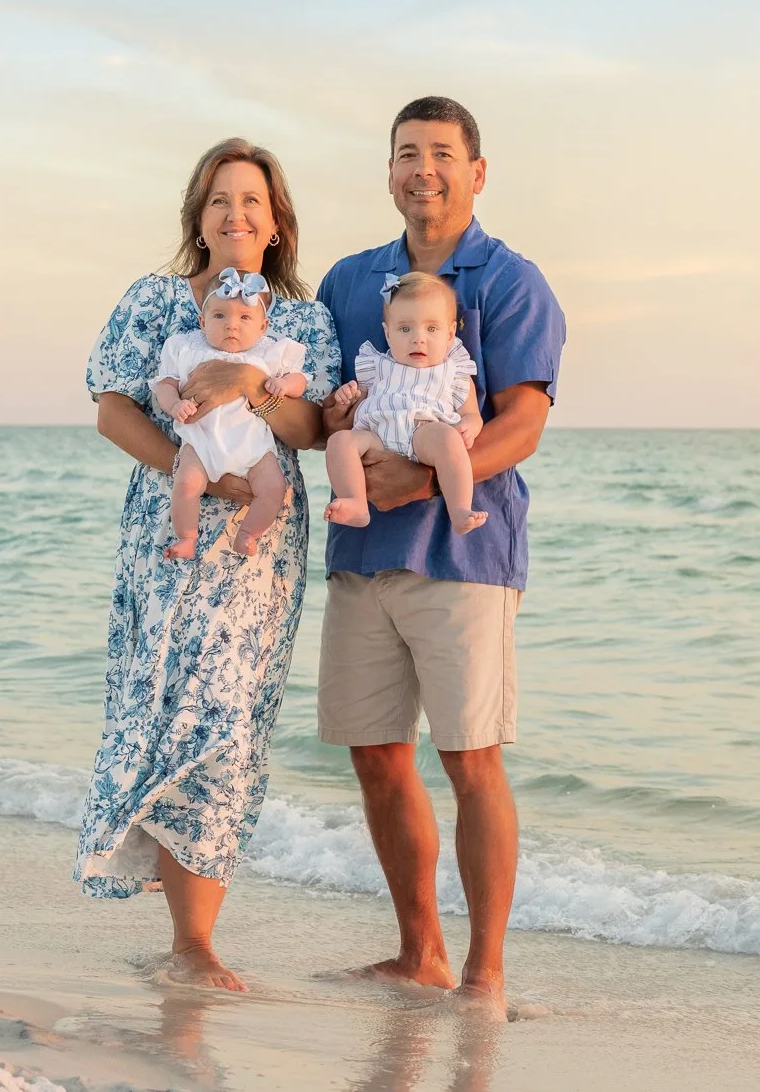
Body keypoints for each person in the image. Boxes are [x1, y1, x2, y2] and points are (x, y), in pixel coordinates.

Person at [316, 95, 566, 1014]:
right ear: (388, 172)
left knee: (471, 759)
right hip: (360, 554)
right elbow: (318, 401)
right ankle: (419, 952)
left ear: (477, 172)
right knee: (378, 757)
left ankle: (485, 973)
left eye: (443, 154)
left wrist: (423, 481)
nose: (424, 169)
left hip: (466, 557)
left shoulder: (511, 281)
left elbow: (523, 423)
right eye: (407, 153)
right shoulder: (349, 281)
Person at [77, 138, 340, 992]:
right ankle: (178, 920)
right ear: (198, 217)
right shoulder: (154, 301)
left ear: (275, 224)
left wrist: (248, 385)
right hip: (169, 530)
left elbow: (314, 430)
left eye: (252, 201)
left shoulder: (303, 322)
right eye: (220, 199)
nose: (236, 214)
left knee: (228, 718)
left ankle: (195, 941)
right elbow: (112, 408)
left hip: (257, 549)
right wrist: (189, 471)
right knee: (162, 707)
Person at [152, 268, 309, 559]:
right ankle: (186, 537)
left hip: (252, 445)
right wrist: (174, 405)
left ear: (263, 326)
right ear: (203, 321)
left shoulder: (269, 353)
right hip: (201, 442)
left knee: (274, 487)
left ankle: (248, 533)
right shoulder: (187, 348)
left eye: (244, 318)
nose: (231, 326)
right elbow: (165, 384)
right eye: (219, 316)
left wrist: (285, 384)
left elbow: (300, 380)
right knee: (186, 484)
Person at [324, 271, 486, 534]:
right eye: (405, 328)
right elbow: (360, 395)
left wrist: (470, 426)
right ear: (387, 333)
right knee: (340, 442)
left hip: (422, 434)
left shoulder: (453, 371)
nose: (418, 338)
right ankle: (355, 502)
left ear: (450, 334)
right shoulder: (376, 364)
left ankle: (459, 509)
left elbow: (471, 413)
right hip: (376, 435)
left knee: (448, 440)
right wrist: (348, 394)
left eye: (431, 328)